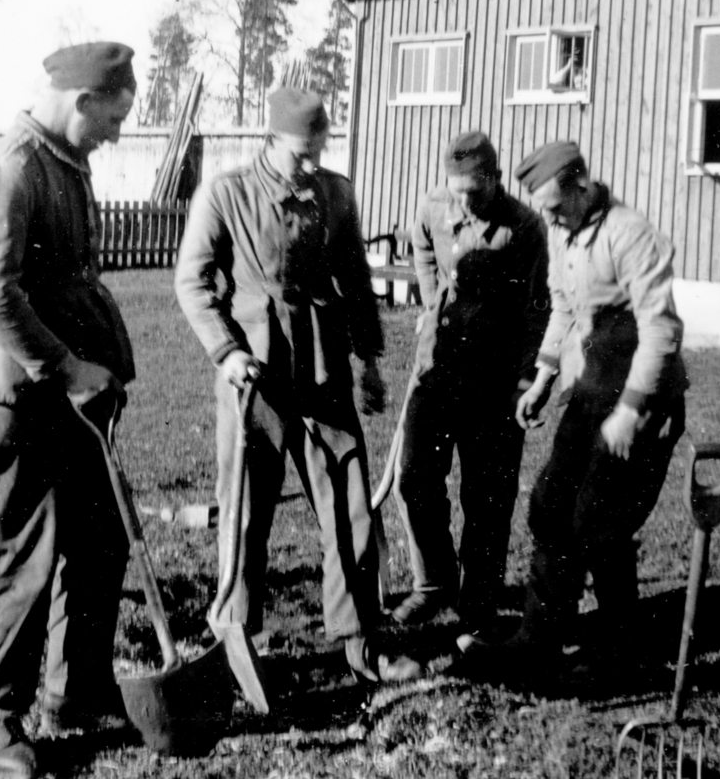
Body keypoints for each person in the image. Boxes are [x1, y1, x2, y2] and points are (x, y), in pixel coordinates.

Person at [175, 87, 417, 685]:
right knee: (246, 511)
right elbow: (192, 282)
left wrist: (369, 363)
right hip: (254, 379)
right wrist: (226, 352)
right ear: (271, 140)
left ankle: (362, 641)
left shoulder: (335, 193)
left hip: (323, 374)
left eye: (319, 151)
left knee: (351, 505)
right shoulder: (225, 194)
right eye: (301, 154)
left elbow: (358, 283)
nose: (312, 164)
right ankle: (235, 641)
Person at [0, 43, 138, 778]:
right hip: (10, 392)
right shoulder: (11, 168)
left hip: (70, 393)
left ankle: (77, 692)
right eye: (114, 117)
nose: (118, 132)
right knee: (16, 553)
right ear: (83, 100)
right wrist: (64, 365)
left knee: (99, 538)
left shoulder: (66, 162)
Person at [459, 140, 689, 670]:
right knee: (549, 505)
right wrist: (541, 378)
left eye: (555, 204)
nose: (547, 215)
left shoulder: (630, 234)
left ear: (582, 184)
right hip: (590, 391)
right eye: (541, 207)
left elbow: (661, 331)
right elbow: (562, 308)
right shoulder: (561, 233)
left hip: (645, 400)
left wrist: (631, 410)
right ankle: (539, 638)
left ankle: (618, 649)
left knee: (599, 521)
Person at [389, 130, 548, 630]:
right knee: (413, 477)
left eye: (473, 192)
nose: (463, 201)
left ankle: (478, 595)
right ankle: (433, 584)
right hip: (436, 371)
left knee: (488, 494)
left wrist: (527, 379)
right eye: (455, 190)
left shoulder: (523, 228)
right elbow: (422, 246)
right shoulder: (434, 206)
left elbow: (538, 310)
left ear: (495, 181)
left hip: (493, 381)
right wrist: (433, 302)